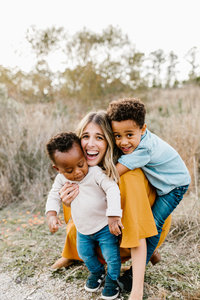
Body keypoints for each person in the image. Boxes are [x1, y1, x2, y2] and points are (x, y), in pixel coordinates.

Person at [49, 111, 172, 300]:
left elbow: (136, 229)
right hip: (99, 227)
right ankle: (72, 252)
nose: (91, 144)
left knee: (117, 215)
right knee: (71, 190)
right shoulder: (81, 168)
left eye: (99, 137)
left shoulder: (128, 172)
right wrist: (65, 202)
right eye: (85, 136)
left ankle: (148, 252)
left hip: (137, 229)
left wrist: (137, 291)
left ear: (109, 141)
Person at [107, 97, 191, 265]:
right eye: (117, 135)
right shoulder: (136, 140)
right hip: (161, 181)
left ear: (143, 129)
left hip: (174, 187)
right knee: (146, 219)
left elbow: (115, 173)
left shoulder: (144, 148)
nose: (123, 142)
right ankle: (153, 253)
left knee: (152, 225)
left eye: (129, 135)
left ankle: (136, 271)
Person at [46, 132, 123, 299]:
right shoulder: (61, 179)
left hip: (104, 226)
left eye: (81, 164)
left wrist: (113, 215)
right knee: (84, 254)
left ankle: (112, 279)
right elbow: (53, 195)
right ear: (57, 169)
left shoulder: (95, 173)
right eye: (69, 170)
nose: (78, 172)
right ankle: (97, 272)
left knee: (112, 256)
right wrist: (52, 214)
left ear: (83, 155)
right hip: (83, 229)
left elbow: (112, 189)